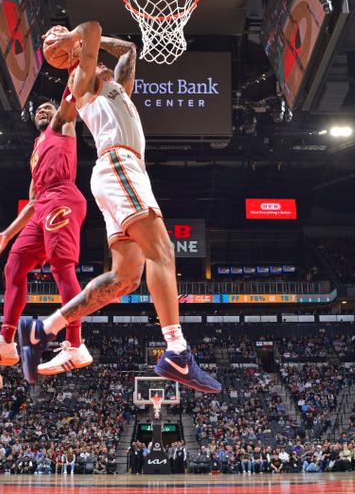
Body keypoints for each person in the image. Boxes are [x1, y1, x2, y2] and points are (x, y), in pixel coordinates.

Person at [15, 20, 220, 393]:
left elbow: (128, 50)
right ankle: (177, 350)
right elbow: (92, 28)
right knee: (163, 252)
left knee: (125, 279)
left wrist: (85, 42)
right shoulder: (80, 78)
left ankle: (41, 330)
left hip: (118, 173)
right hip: (119, 166)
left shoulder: (113, 88)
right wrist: (74, 41)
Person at [0, 91, 90, 380]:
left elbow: (72, 92)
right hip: (43, 203)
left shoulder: (64, 125)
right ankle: (6, 341)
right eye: (39, 110)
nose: (42, 111)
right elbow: (33, 202)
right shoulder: (35, 149)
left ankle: (75, 343)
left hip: (63, 197)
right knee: (14, 265)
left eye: (48, 108)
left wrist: (73, 57)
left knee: (61, 268)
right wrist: (7, 235)